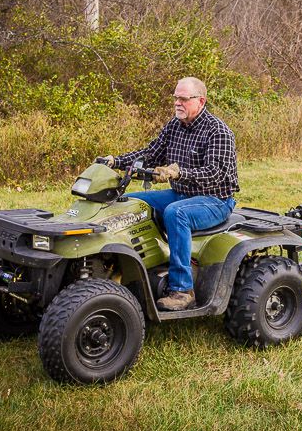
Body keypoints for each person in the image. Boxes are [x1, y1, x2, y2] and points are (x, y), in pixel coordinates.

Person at [98, 77, 239, 311]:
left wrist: (178, 173)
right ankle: (127, 268)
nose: (177, 103)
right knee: (130, 202)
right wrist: (116, 161)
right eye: (175, 98)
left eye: (183, 98)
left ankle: (183, 290)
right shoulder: (175, 126)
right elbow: (150, 154)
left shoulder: (218, 131)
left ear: (200, 101)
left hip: (215, 200)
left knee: (176, 213)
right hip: (182, 194)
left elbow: (216, 173)